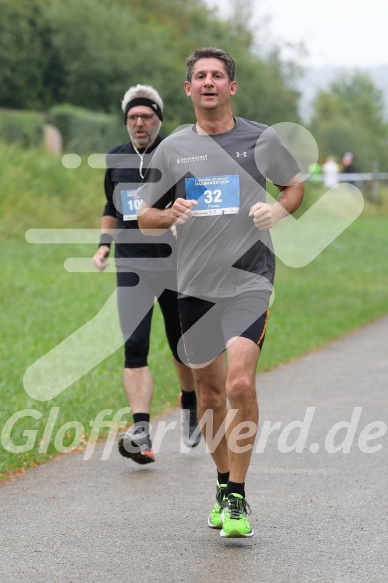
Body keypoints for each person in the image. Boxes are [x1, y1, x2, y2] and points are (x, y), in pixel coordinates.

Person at [137, 48, 304, 537]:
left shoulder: (262, 138)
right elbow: (145, 216)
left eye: (217, 76)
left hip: (250, 279)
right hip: (194, 285)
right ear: (188, 90)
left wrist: (278, 211)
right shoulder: (171, 150)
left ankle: (237, 496)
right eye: (200, 77)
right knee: (209, 396)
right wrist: (170, 214)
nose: (209, 82)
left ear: (231, 87)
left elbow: (293, 187)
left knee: (238, 386)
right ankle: (221, 481)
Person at [93, 84, 200, 465]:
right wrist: (104, 244)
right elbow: (112, 205)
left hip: (175, 266)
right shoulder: (116, 158)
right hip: (132, 265)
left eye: (147, 116)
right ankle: (141, 431)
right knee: (134, 347)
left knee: (181, 346)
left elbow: (194, 199)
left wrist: (178, 221)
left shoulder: (175, 154)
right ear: (126, 122)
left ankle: (190, 401)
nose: (139, 123)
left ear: (158, 119)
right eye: (133, 118)